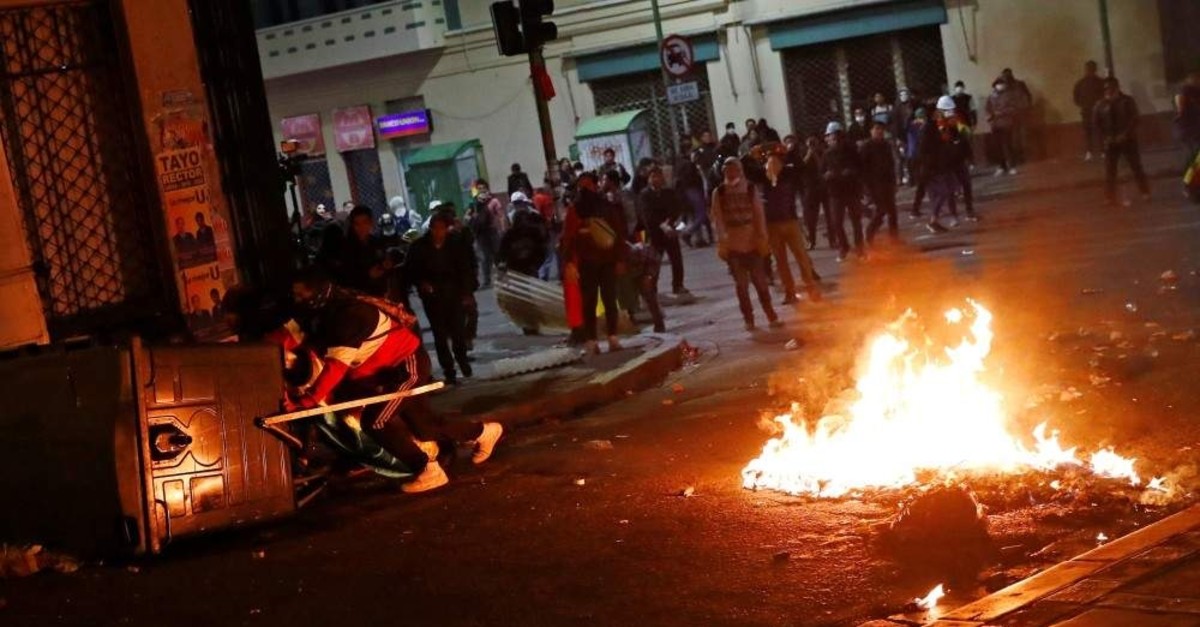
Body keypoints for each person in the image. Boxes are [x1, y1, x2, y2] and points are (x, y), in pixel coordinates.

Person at [287, 268, 503, 493]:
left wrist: (309, 400)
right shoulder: (327, 311)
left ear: (319, 292)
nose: (298, 299)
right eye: (296, 294)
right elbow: (299, 338)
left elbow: (335, 368)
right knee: (424, 426)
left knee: (376, 421)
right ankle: (483, 432)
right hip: (388, 370)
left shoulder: (349, 315)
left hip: (405, 366)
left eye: (302, 294)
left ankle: (427, 471)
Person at [561, 171, 628, 354]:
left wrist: (620, 259)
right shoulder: (575, 211)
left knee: (609, 298)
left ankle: (612, 337)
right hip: (586, 262)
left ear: (595, 185)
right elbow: (567, 238)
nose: (584, 188)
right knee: (588, 302)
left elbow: (618, 233)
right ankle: (591, 339)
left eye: (587, 184)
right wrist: (569, 263)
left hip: (607, 260)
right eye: (581, 184)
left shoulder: (607, 207)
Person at [404, 212, 475, 384]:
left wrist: (466, 292)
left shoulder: (454, 244)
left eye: (442, 229)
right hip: (433, 296)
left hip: (453, 292)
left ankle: (462, 358)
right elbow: (412, 270)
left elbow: (464, 268)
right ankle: (448, 370)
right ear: (431, 229)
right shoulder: (420, 247)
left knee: (457, 330)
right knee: (440, 333)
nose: (439, 232)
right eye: (436, 229)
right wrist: (422, 283)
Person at [711, 157, 780, 331]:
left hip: (752, 242)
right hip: (734, 245)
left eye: (733, 169)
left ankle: (771, 315)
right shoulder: (719, 192)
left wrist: (762, 237)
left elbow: (758, 214)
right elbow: (718, 219)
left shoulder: (750, 188)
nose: (730, 172)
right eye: (727, 169)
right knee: (741, 286)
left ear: (740, 170)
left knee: (760, 282)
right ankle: (749, 319)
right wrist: (722, 242)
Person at [762, 149, 821, 305]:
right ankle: (790, 292)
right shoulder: (762, 179)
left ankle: (811, 287)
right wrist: (753, 154)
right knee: (781, 261)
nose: (772, 166)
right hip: (772, 225)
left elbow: (801, 166)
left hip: (790, 222)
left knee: (801, 257)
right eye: (769, 163)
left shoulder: (788, 175)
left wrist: (788, 151)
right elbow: (745, 167)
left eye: (775, 162)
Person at [1094, 76, 1151, 205]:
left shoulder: (1127, 101)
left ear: (1117, 87)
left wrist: (1125, 134)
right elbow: (1097, 124)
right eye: (1106, 88)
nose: (1108, 91)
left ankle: (1145, 192)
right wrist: (1105, 137)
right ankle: (1109, 197)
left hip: (1127, 140)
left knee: (1136, 167)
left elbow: (1134, 118)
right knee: (1110, 170)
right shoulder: (1100, 104)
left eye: (1110, 88)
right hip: (1110, 141)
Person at [921, 96, 971, 232]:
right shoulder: (931, 127)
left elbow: (961, 136)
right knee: (944, 191)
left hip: (945, 163)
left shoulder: (948, 124)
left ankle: (935, 220)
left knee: (951, 188)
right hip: (935, 166)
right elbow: (927, 148)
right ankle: (934, 219)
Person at [636, 165, 687, 295]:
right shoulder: (644, 195)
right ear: (648, 179)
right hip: (655, 234)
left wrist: (670, 222)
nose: (657, 179)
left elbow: (676, 208)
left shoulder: (668, 193)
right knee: (654, 263)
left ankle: (678, 285)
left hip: (670, 231)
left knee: (676, 259)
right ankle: (652, 289)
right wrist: (661, 225)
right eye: (653, 176)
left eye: (659, 176)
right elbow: (647, 215)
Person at [822, 122, 866, 262]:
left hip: (851, 190)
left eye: (835, 137)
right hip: (835, 192)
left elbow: (860, 167)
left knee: (856, 221)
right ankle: (844, 247)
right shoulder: (827, 154)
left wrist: (851, 172)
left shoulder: (851, 151)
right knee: (837, 222)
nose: (833, 140)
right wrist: (827, 175)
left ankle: (860, 248)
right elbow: (821, 172)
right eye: (831, 137)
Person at [339, 205, 393, 297]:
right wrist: (367, 275)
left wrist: (386, 265)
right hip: (360, 297)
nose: (361, 227)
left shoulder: (376, 242)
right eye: (357, 224)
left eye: (365, 222)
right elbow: (344, 277)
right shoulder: (346, 247)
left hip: (380, 293)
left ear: (371, 223)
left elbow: (384, 261)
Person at [861, 121, 899, 243]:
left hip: (887, 182)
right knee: (881, 210)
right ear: (871, 131)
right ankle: (869, 233)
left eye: (881, 129)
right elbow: (862, 167)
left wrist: (894, 181)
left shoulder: (886, 145)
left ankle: (894, 237)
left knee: (892, 211)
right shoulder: (867, 146)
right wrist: (866, 186)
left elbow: (891, 164)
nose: (879, 131)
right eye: (876, 129)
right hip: (874, 183)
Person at [467, 181, 506, 288]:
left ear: (487, 189)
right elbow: (466, 217)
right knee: (485, 257)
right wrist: (472, 217)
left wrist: (502, 228)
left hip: (492, 231)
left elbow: (500, 215)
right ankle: (487, 280)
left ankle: (502, 278)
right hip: (480, 233)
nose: (481, 190)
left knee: (497, 254)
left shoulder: (493, 201)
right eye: (479, 188)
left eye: (483, 188)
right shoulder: (474, 203)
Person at [799, 135, 831, 250]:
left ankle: (833, 239)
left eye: (814, 143)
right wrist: (809, 153)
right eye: (810, 143)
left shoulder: (823, 152)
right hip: (810, 188)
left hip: (823, 186)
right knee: (811, 217)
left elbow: (823, 166)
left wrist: (816, 154)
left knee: (830, 215)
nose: (813, 146)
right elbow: (801, 166)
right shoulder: (803, 153)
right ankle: (812, 241)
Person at [986, 78, 1020, 176]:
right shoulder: (991, 97)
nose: (1000, 86)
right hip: (995, 125)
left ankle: (1012, 166)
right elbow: (987, 109)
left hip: (1007, 123)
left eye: (1002, 84)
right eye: (998, 84)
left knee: (1008, 145)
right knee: (997, 147)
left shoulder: (1009, 96)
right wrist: (990, 117)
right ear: (994, 86)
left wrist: (1002, 113)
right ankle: (1001, 166)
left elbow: (1013, 108)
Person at [1073, 61, 1106, 162]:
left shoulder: (1099, 82)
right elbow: (1076, 98)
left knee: (1097, 132)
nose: (1089, 71)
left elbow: (1076, 98)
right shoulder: (1082, 83)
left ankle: (1099, 151)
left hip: (1094, 111)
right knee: (1089, 132)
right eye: (1089, 68)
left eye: (1091, 68)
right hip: (1088, 111)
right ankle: (1092, 152)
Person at [1001, 68, 1034, 163]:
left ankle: (1022, 157)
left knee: (1021, 138)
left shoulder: (1019, 84)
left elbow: (1028, 97)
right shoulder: (1006, 86)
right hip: (1010, 117)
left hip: (1019, 114)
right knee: (1014, 139)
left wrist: (1027, 108)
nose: (1006, 77)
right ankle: (1018, 158)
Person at [1175, 70, 1200, 166]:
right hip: (1189, 130)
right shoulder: (1184, 91)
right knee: (1194, 155)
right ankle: (1191, 178)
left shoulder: (1194, 91)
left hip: (1192, 129)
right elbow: (1181, 110)